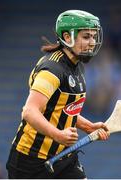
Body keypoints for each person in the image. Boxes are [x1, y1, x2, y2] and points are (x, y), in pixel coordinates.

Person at [6, 10, 110, 179]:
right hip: (31, 161)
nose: (92, 42)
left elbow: (63, 109)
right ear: (67, 37)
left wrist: (87, 126)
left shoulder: (77, 66)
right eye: (86, 37)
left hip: (64, 157)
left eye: (93, 36)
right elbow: (29, 111)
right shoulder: (52, 70)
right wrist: (58, 135)